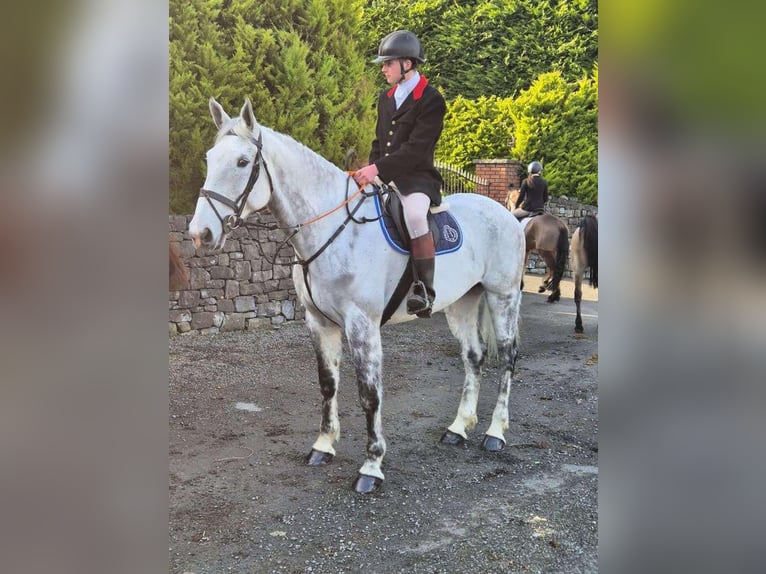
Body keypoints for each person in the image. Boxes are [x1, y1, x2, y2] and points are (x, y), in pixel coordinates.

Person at [353, 30, 446, 318]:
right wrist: (371, 170)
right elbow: (379, 142)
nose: (383, 69)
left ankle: (424, 290)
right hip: (385, 177)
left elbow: (417, 150)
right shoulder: (386, 97)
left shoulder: (431, 100)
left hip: (417, 179)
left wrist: (378, 169)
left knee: (416, 215)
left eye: (388, 63)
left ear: (407, 64)